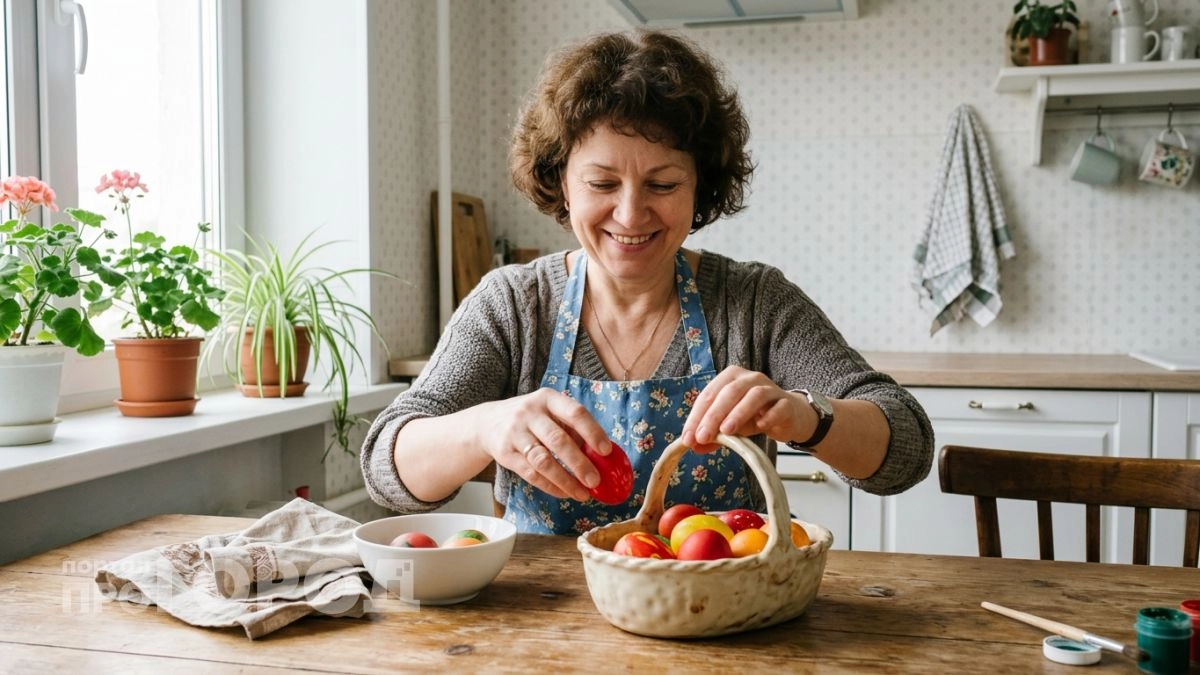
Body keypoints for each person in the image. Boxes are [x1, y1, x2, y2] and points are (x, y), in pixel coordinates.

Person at [362, 30, 933, 534]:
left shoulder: (754, 302)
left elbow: (906, 447)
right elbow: (388, 471)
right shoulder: (513, 306)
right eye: (602, 183)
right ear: (562, 183)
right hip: (543, 631)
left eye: (662, 185)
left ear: (699, 189)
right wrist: (484, 427)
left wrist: (807, 416)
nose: (631, 215)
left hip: (719, 621)